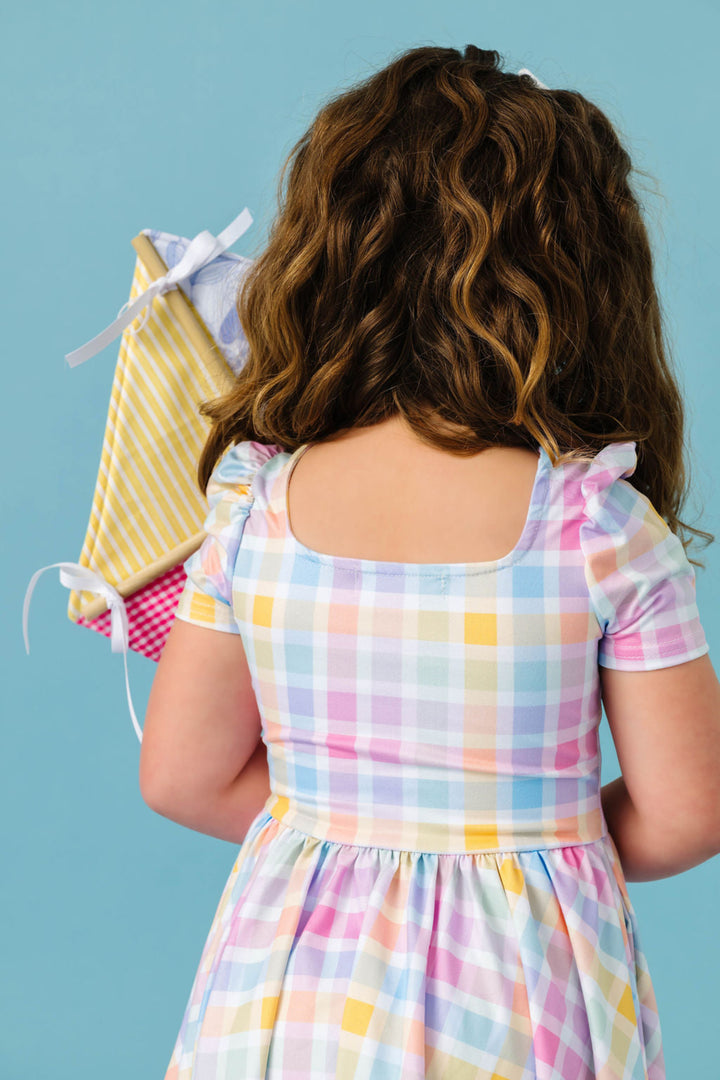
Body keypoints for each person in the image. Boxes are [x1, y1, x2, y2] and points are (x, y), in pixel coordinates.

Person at [139, 43, 720, 1079]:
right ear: (588, 282)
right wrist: (535, 843)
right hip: (523, 1000)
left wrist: (344, 829)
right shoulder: (598, 526)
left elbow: (183, 775)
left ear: (328, 258)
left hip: (295, 997)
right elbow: (689, 813)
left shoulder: (254, 510)